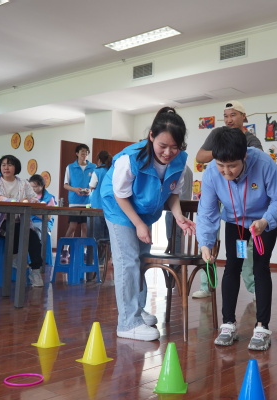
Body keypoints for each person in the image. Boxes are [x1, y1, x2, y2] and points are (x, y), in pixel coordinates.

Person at [100, 107, 195, 341]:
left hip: (144, 208)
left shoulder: (180, 161)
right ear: (151, 136)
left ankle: (138, 311)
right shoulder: (131, 159)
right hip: (119, 206)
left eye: (175, 147)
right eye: (163, 145)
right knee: (128, 260)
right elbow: (120, 195)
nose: (168, 152)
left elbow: (173, 192)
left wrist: (179, 216)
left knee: (142, 259)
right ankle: (127, 322)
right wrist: (138, 224)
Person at [196, 127, 277, 351]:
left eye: (232, 166)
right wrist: (205, 243)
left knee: (260, 268)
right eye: (221, 165)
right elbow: (207, 212)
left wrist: (266, 221)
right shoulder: (211, 173)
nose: (226, 171)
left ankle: (262, 327)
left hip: (262, 222)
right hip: (235, 222)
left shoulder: (264, 163)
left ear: (244, 156)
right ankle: (228, 324)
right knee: (232, 266)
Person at [194, 100, 262, 299]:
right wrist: (223, 149)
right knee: (208, 236)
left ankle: (253, 287)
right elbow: (200, 157)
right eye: (225, 116)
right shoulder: (217, 134)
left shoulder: (251, 139)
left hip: (242, 198)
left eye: (233, 115)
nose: (229, 119)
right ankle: (207, 285)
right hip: (218, 191)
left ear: (243, 116)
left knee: (246, 244)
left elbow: (257, 163)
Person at [0, 155, 44, 287]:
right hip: (2, 223)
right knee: (17, 231)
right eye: (3, 165)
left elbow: (32, 197)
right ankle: (14, 257)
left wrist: (36, 202)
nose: (6, 168)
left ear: (16, 167)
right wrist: (17, 201)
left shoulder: (23, 183)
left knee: (34, 238)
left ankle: (35, 271)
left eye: (10, 165)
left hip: (21, 221)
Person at [61, 143, 96, 262]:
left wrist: (89, 190)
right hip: (74, 202)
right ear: (77, 153)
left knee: (85, 227)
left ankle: (84, 251)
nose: (84, 154)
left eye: (86, 152)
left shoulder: (93, 167)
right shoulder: (70, 167)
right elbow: (65, 185)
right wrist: (75, 189)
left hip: (88, 202)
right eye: (82, 152)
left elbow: (95, 184)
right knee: (72, 226)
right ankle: (65, 250)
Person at [89, 150, 112, 241]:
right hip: (110, 206)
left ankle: (96, 250)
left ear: (99, 160)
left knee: (97, 234)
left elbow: (92, 186)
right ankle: (107, 250)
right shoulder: (111, 170)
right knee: (108, 234)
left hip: (97, 205)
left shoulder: (97, 171)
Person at [28, 174, 57, 240]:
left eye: (35, 186)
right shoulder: (29, 197)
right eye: (31, 187)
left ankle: (39, 246)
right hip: (30, 222)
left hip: (43, 223)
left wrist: (34, 212)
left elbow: (48, 217)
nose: (33, 189)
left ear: (42, 186)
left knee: (36, 233)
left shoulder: (49, 198)